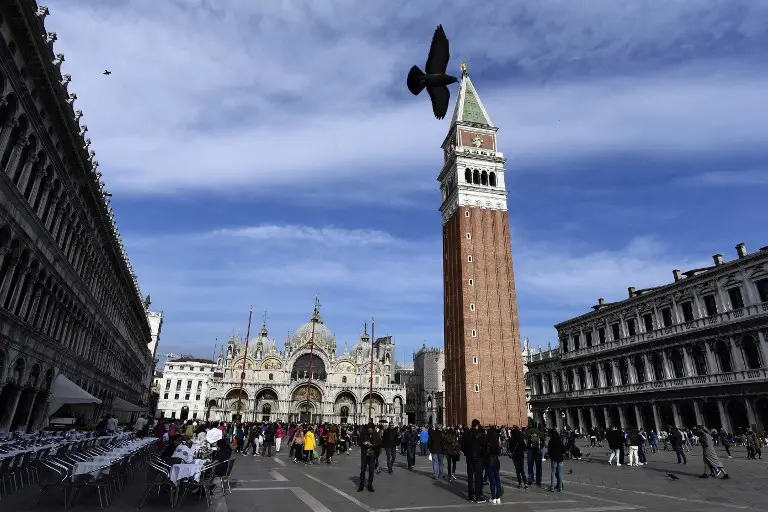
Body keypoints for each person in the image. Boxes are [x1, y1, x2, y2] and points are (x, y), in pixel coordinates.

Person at [462, 419, 489, 503]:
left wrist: (466, 453)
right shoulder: (481, 434)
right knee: (478, 477)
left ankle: (470, 496)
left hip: (469, 458)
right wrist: (483, 455)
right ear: (477, 425)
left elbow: (463, 446)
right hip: (478, 458)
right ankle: (478, 496)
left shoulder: (466, 433)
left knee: (470, 477)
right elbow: (485, 446)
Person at [358, 423, 382, 492]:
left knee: (371, 471)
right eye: (368, 429)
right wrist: (363, 443)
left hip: (372, 455)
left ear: (373, 429)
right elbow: (359, 443)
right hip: (364, 454)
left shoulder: (376, 435)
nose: (370, 430)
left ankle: (370, 485)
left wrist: (372, 445)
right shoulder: (363, 434)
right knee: (362, 470)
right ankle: (361, 485)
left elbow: (379, 444)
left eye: (371, 429)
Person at [485, 428, 503, 504]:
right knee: (497, 479)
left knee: (492, 480)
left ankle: (493, 497)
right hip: (496, 462)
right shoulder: (496, 442)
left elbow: (486, 453)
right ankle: (498, 497)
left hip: (489, 462)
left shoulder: (487, 443)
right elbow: (499, 452)